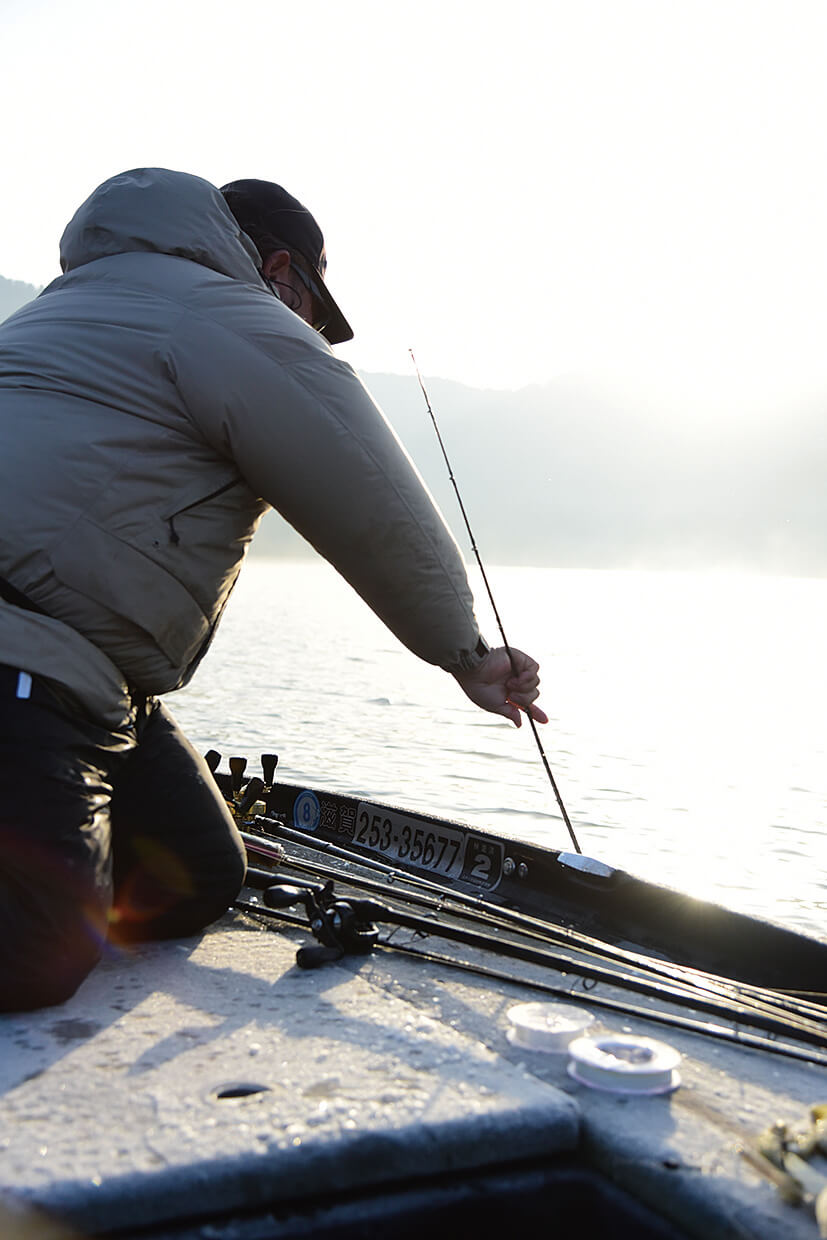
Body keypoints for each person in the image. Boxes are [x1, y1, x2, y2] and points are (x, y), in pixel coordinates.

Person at [0, 168, 547, 1011]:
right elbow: (367, 493)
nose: (314, 333)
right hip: (24, 664)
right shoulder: (234, 314)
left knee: (199, 872)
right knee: (35, 952)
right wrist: (464, 654)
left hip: (87, 678)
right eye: (319, 312)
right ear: (283, 270)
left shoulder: (49, 313)